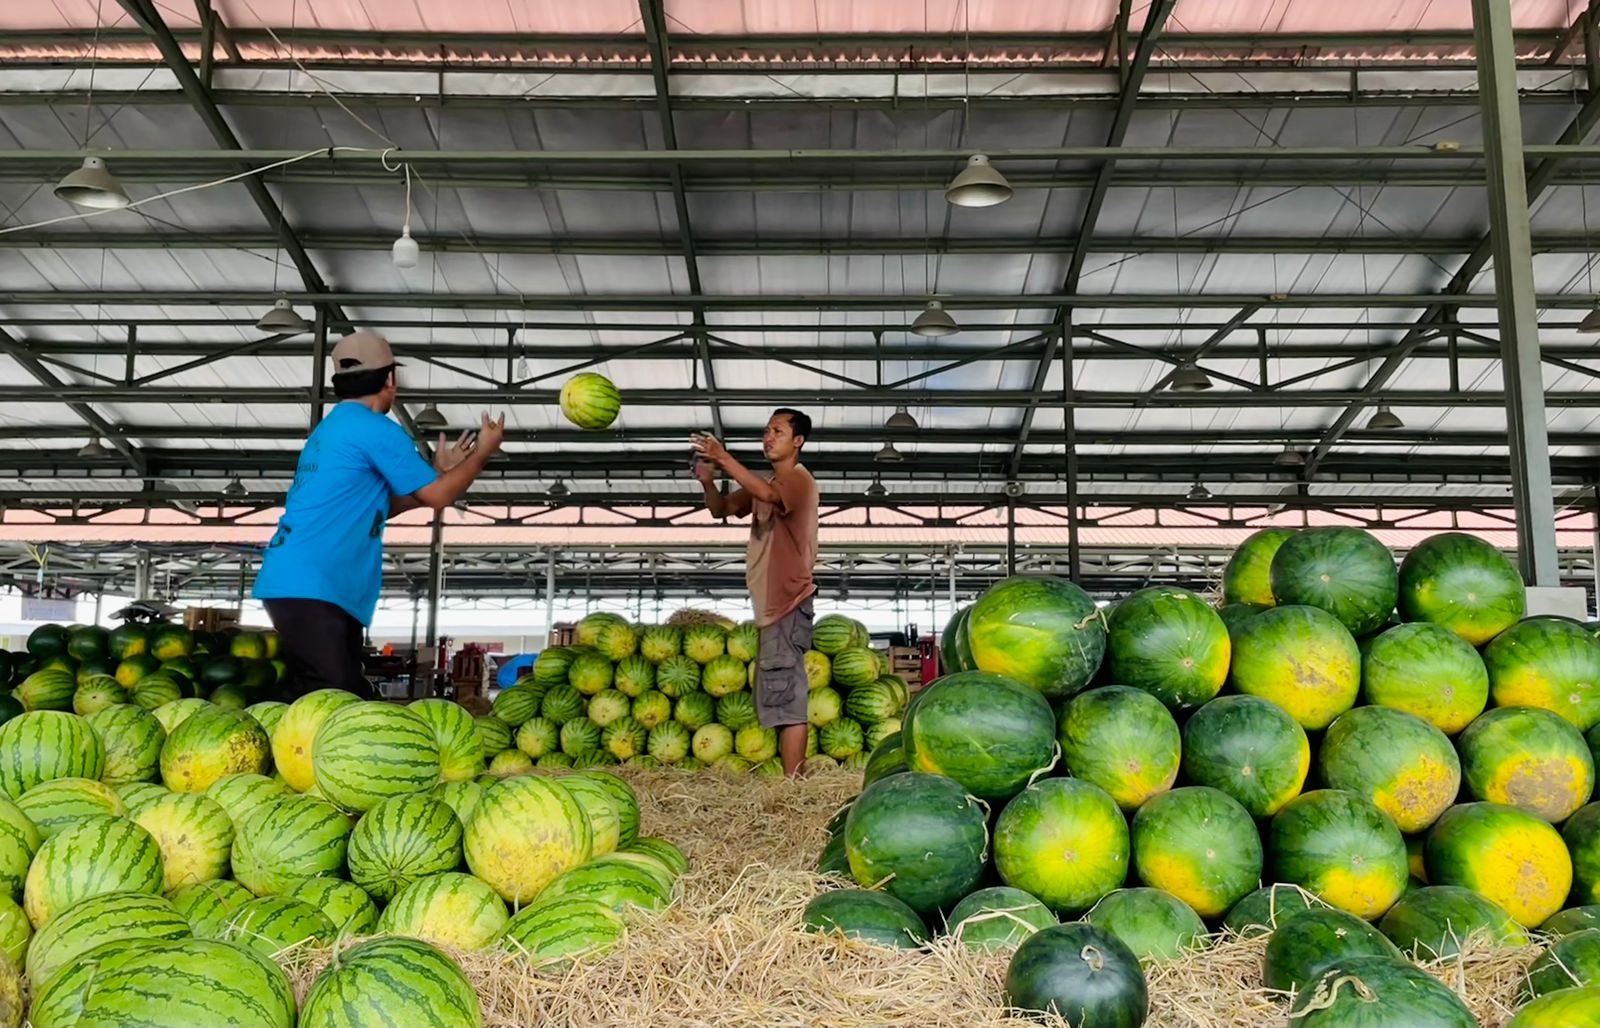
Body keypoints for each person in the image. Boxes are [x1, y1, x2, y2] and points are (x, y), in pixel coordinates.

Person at [253, 330, 506, 700]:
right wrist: (482, 453)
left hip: (301, 584)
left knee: (326, 696)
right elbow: (438, 498)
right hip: (317, 586)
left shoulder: (332, 429)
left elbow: (378, 506)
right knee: (338, 701)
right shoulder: (376, 430)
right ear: (391, 380)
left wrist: (436, 475)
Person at [692, 409, 819, 777]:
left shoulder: (798, 480)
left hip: (788, 604)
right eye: (766, 430)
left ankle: (793, 787)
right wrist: (708, 481)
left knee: (788, 698)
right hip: (771, 610)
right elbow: (721, 510)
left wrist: (723, 457)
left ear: (798, 441)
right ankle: (790, 780)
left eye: (777, 431)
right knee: (777, 696)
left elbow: (765, 492)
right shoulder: (766, 483)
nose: (768, 436)